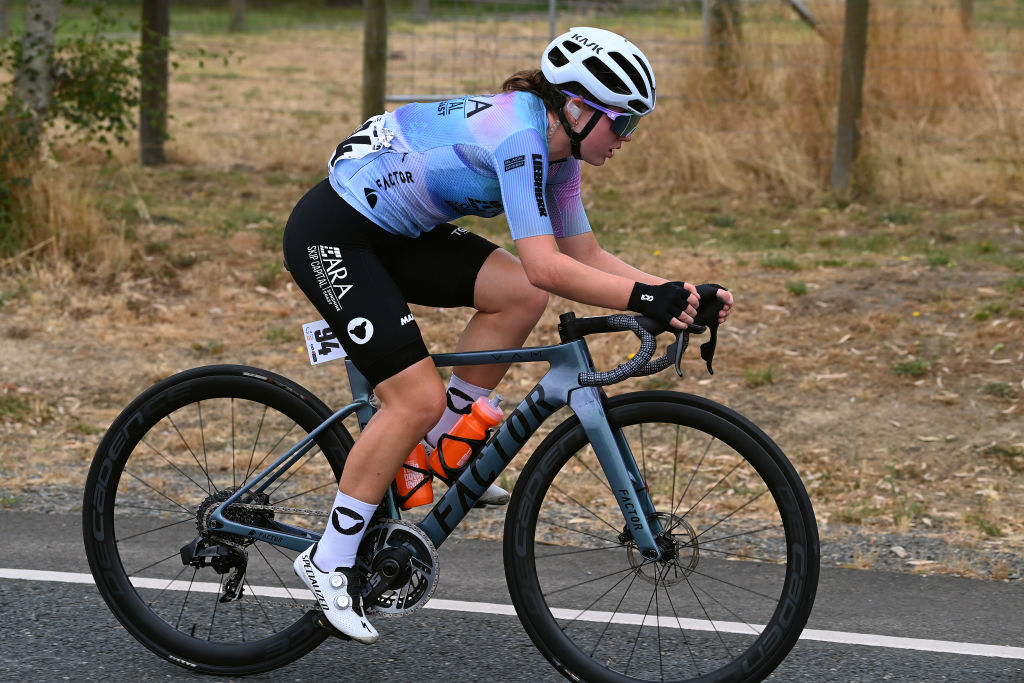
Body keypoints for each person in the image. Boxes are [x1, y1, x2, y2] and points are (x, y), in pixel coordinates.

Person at [284, 26, 734, 643]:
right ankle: (329, 559)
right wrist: (649, 298)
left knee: (520, 292)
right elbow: (552, 263)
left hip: (399, 230)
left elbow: (583, 254)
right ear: (577, 109)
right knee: (413, 397)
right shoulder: (522, 138)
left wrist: (676, 292)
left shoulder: (560, 154)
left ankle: (444, 447)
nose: (626, 140)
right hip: (337, 234)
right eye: (622, 125)